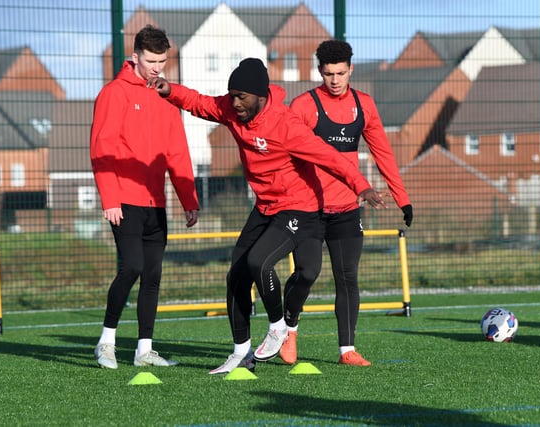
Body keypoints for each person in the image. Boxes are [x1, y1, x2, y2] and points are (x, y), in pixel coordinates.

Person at [151, 57, 388, 374]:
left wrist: (362, 187)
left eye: (241, 97)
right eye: (231, 95)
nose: (234, 103)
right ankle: (240, 353)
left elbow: (330, 158)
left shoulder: (286, 125)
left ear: (261, 96)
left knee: (260, 262)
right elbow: (201, 103)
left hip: (298, 206)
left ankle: (279, 327)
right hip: (264, 205)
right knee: (236, 276)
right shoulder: (233, 109)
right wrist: (171, 91)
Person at [280, 39, 412, 367]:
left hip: (346, 208)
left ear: (351, 69)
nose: (335, 80)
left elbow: (382, 152)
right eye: (328, 74)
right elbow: (283, 153)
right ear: (319, 72)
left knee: (347, 276)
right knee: (307, 272)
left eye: (340, 73)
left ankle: (347, 350)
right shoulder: (303, 106)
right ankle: (289, 329)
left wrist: (402, 198)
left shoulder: (364, 104)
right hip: (308, 209)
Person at [90, 25, 200, 369]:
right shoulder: (114, 93)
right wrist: (109, 198)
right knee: (133, 267)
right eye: (151, 60)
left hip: (157, 203)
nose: (157, 67)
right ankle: (106, 342)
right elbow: (101, 149)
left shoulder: (166, 96)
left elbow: (177, 152)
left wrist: (189, 199)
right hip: (124, 201)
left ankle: (144, 350)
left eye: (162, 61)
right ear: (135, 56)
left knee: (152, 274)